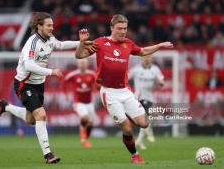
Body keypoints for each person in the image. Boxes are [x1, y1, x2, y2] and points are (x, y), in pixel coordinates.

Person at [0, 12, 96, 164]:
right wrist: (51, 72)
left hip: (38, 85)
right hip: (24, 83)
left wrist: (80, 42)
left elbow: (61, 45)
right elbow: (28, 65)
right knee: (41, 115)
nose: (52, 28)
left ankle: (6, 106)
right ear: (39, 26)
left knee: (31, 119)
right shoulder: (32, 42)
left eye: (52, 25)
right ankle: (48, 155)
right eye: (49, 25)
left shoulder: (50, 40)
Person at [75, 14, 173, 164]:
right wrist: (82, 42)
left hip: (125, 91)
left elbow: (144, 51)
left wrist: (160, 46)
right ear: (112, 28)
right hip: (109, 93)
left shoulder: (128, 43)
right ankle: (135, 155)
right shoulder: (101, 42)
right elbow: (79, 55)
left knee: (145, 123)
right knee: (127, 130)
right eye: (119, 28)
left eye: (125, 29)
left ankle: (126, 115)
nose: (123, 31)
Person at [128, 54, 165, 150]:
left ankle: (140, 140)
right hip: (139, 98)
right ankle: (149, 131)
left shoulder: (155, 69)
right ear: (141, 58)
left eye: (148, 57)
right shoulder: (136, 70)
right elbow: (126, 78)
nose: (146, 58)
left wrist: (160, 82)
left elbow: (161, 81)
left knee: (148, 120)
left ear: (151, 58)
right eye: (145, 57)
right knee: (152, 115)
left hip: (149, 98)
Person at [62, 58, 97, 148]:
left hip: (89, 103)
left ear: (87, 64)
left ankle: (85, 139)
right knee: (85, 117)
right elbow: (64, 81)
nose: (82, 65)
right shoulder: (73, 75)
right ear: (78, 65)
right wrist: (65, 94)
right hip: (78, 103)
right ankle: (83, 137)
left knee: (90, 124)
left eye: (84, 63)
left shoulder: (92, 74)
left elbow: (97, 85)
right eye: (80, 63)